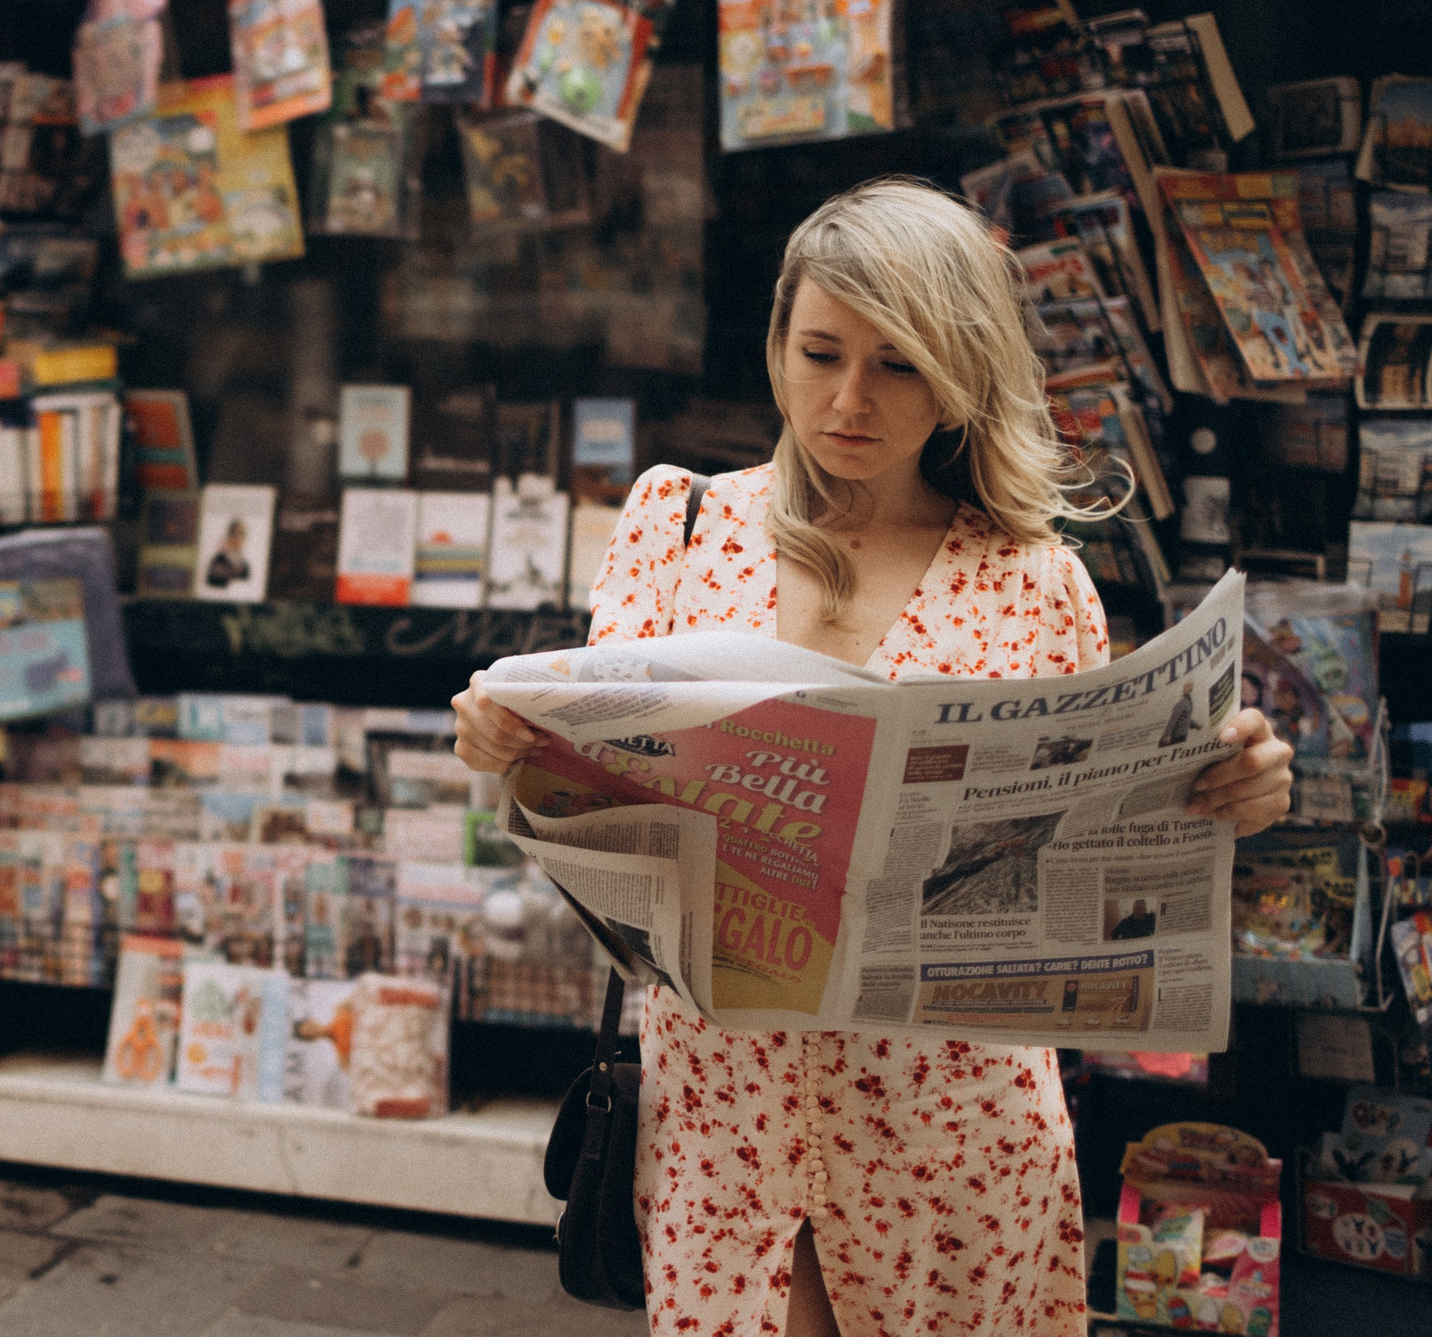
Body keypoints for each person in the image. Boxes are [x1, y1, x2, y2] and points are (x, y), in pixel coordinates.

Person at [450, 179, 1293, 1337]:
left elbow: (1110, 836)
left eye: (897, 363)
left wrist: (1230, 792)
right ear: (776, 344)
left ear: (958, 369)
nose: (846, 399)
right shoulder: (677, 526)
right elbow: (594, 779)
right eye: (818, 352)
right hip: (727, 1116)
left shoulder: (1033, 581)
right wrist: (501, 743)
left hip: (953, 1132)